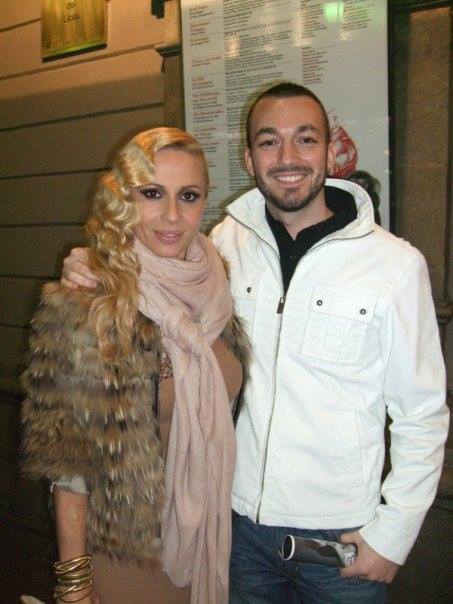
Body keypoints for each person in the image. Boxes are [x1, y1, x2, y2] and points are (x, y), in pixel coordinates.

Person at [61, 83, 449, 603]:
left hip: (342, 540)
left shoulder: (394, 265)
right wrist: (92, 265)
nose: (287, 157)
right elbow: (148, 267)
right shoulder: (223, 246)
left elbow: (422, 413)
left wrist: (393, 535)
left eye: (305, 139)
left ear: (330, 151)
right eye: (269, 142)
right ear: (249, 158)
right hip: (235, 528)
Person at [22, 127, 249, 604]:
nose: (172, 215)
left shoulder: (214, 284)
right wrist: (74, 583)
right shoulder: (89, 301)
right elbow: (68, 465)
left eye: (188, 196)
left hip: (209, 536)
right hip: (129, 552)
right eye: (152, 194)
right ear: (124, 198)